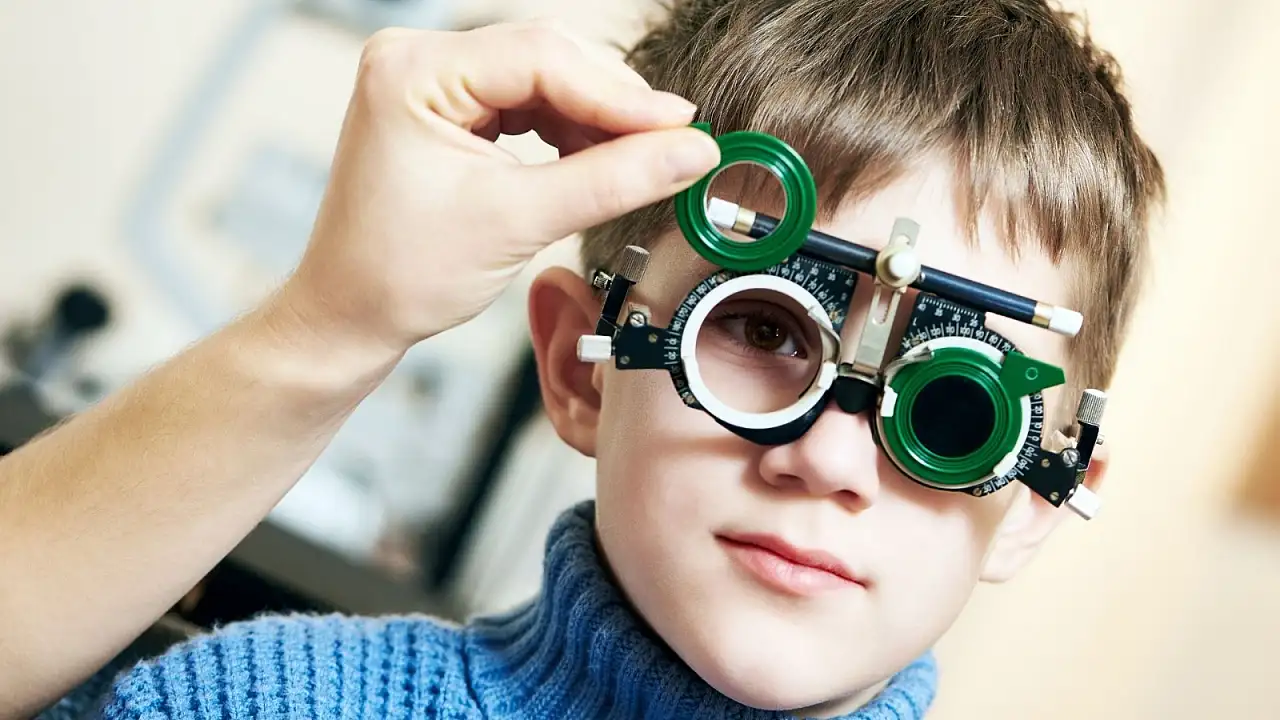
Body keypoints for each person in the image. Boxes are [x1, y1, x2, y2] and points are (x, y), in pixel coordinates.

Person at [7, 1, 1165, 718]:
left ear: (1036, 499)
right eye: (762, 328)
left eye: (954, 404)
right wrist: (329, 323)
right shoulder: (256, 705)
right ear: (577, 364)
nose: (823, 458)